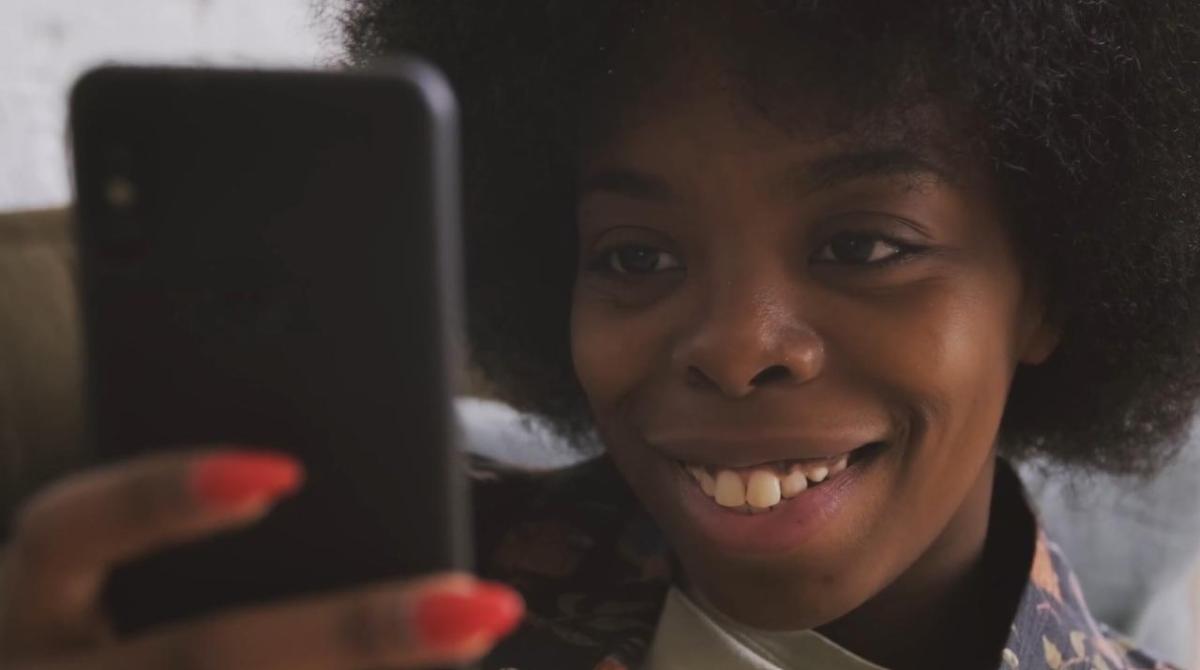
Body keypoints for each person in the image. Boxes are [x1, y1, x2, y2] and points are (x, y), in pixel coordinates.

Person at [2, 1, 1199, 668]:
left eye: (865, 244)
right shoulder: (359, 604)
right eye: (636, 256)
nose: (736, 346)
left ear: (1048, 284)